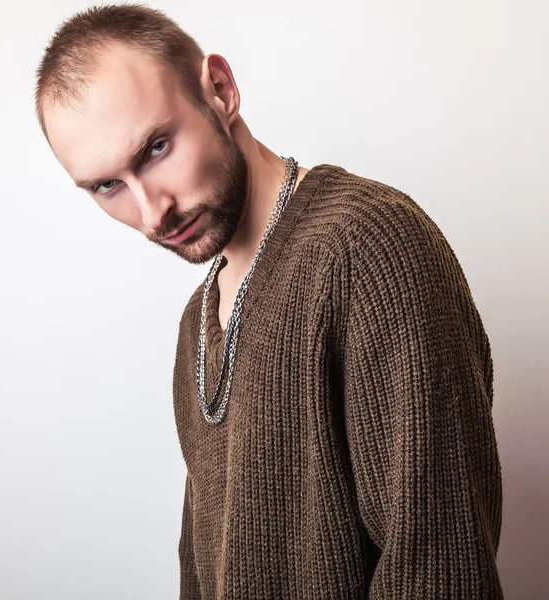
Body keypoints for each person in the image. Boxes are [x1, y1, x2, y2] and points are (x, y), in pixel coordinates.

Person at [34, 4, 504, 599]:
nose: (153, 211)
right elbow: (201, 571)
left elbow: (440, 563)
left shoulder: (369, 248)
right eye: (108, 186)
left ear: (220, 91)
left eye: (155, 148)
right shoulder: (196, 325)